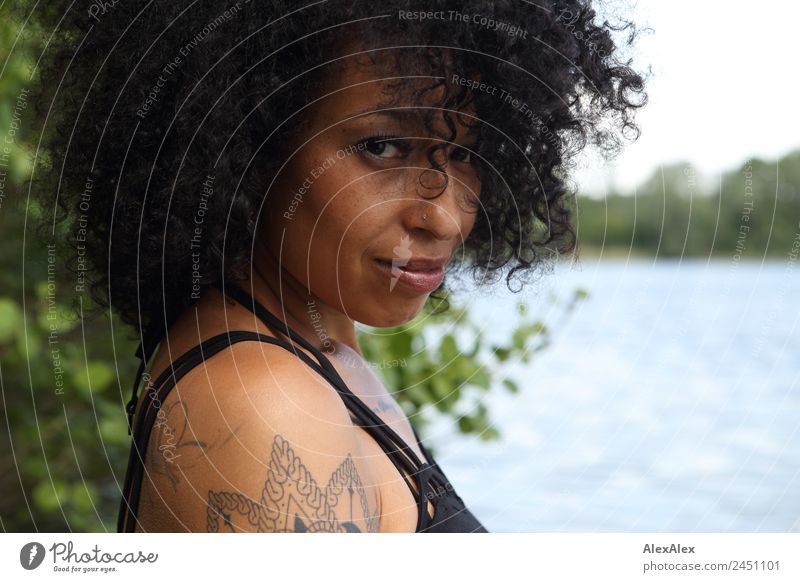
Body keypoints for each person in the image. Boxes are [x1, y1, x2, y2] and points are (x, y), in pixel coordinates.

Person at [25, 0, 646, 532]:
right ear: (246, 142)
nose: (446, 218)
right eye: (382, 146)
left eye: (462, 152)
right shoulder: (266, 408)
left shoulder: (308, 354)